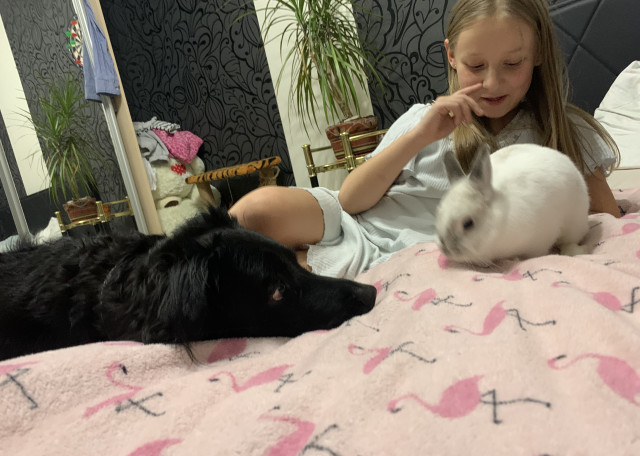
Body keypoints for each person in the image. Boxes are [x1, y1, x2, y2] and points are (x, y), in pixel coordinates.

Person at [229, 0, 621, 280]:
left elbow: (607, 222)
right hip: (358, 224)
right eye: (476, 65)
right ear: (451, 55)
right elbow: (350, 200)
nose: (492, 82)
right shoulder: (424, 118)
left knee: (259, 277)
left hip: (413, 249)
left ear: (537, 52)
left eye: (512, 63)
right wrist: (420, 136)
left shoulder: (565, 131)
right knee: (252, 214)